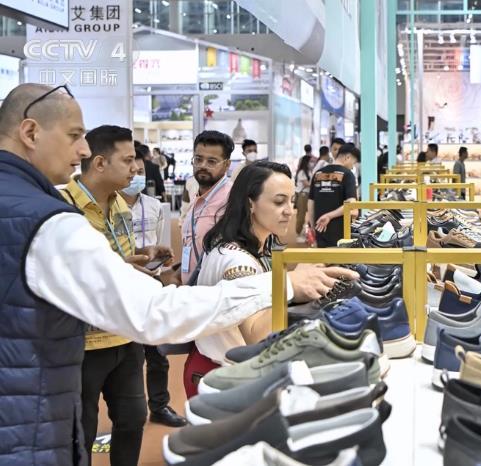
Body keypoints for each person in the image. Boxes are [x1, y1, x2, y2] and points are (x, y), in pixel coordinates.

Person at [0, 83, 356, 465]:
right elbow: (153, 312)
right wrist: (282, 285)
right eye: (74, 136)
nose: (83, 151)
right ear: (31, 132)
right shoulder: (48, 221)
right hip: (27, 426)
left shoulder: (28, 208)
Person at [58, 125, 151, 466]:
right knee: (81, 428)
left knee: (133, 418)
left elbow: (120, 258)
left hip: (125, 334)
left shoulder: (120, 205)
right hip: (82, 342)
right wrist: (116, 269)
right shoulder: (62, 208)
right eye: (127, 160)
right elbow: (59, 274)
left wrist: (144, 257)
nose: (135, 169)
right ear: (99, 163)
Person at [185, 161, 295, 397]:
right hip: (223, 375)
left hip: (217, 367)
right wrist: (291, 286)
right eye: (279, 202)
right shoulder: (239, 262)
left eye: (291, 201)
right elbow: (255, 335)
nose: (289, 210)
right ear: (250, 203)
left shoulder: (235, 246)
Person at [126, 143, 188, 428]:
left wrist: (163, 270)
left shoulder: (153, 206)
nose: (135, 174)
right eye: (131, 169)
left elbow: (160, 242)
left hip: (152, 283)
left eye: (140, 170)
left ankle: (160, 406)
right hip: (123, 284)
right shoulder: (110, 207)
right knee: (128, 357)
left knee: (158, 353)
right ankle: (130, 411)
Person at [180, 131, 235, 284]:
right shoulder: (197, 196)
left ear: (226, 165)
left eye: (211, 161)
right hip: (192, 289)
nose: (203, 166)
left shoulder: (232, 199)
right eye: (198, 159)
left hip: (215, 291)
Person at [307, 144, 360, 248]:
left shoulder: (318, 173)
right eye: (353, 163)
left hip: (320, 228)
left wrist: (313, 226)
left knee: (321, 257)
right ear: (347, 157)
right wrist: (329, 216)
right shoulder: (348, 175)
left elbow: (311, 202)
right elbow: (351, 204)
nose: (352, 166)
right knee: (338, 257)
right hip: (340, 232)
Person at [294, 153, 315, 241]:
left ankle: (306, 234)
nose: (312, 163)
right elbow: (306, 184)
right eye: (311, 161)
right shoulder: (302, 172)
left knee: (310, 214)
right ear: (306, 162)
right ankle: (298, 233)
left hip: (308, 195)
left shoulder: (309, 171)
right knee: (301, 216)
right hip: (303, 195)